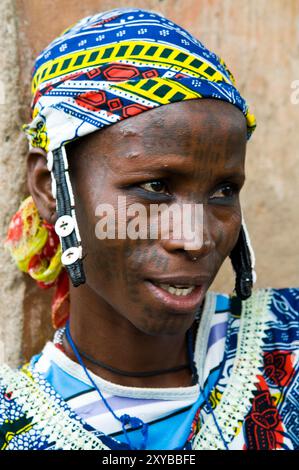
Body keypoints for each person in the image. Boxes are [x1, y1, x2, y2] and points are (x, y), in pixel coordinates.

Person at [0, 8, 298, 451]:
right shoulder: (13, 426)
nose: (195, 238)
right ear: (50, 188)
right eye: (156, 187)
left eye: (223, 191)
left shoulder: (286, 345)